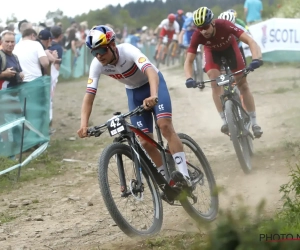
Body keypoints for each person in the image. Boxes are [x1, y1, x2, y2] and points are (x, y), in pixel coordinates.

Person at [77, 25, 192, 186]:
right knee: (145, 141)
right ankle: (169, 181)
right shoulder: (97, 65)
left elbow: (151, 72)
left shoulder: (127, 50)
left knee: (164, 125)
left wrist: (153, 95)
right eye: (94, 52)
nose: (98, 56)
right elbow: (89, 96)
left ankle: (185, 175)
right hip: (134, 94)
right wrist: (84, 125)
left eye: (101, 50)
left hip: (153, 84)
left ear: (112, 45)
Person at [184, 7, 263, 138]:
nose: (203, 30)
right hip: (212, 53)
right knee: (215, 82)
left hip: (230, 49)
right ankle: (225, 121)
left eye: (205, 26)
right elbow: (188, 61)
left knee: (242, 85)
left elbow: (250, 41)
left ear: (213, 22)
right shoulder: (197, 35)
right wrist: (188, 78)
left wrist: (255, 59)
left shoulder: (225, 25)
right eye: (200, 28)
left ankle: (254, 122)